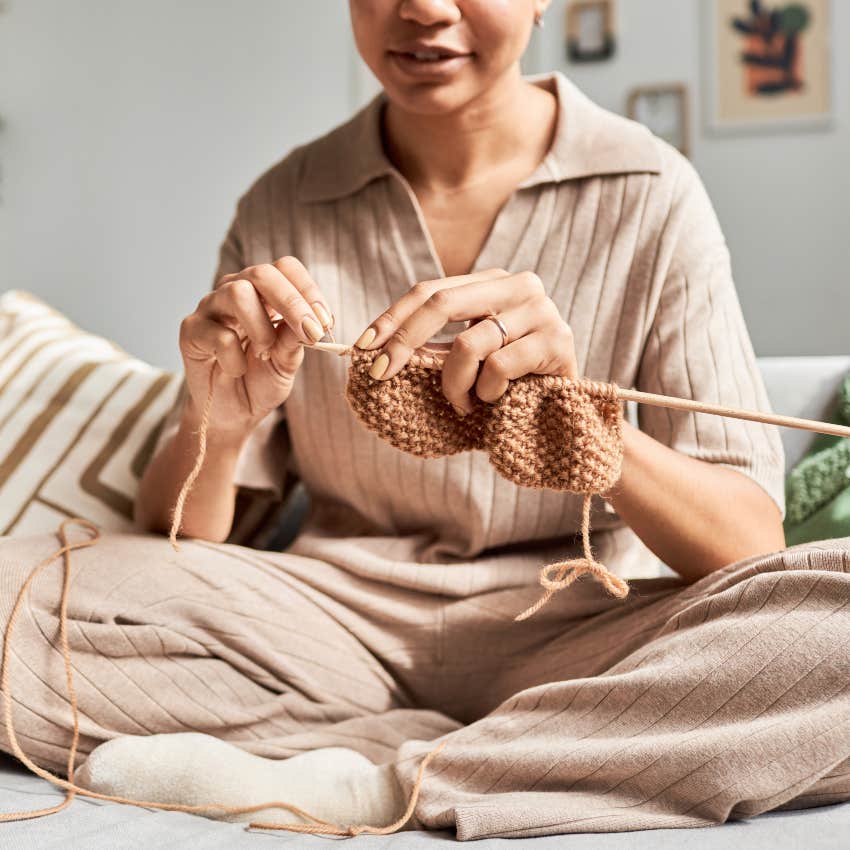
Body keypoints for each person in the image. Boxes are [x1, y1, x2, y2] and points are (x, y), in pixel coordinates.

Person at [2, 0, 848, 840]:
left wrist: (589, 429)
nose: (424, 11)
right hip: (332, 625)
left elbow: (751, 547)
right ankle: (517, 752)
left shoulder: (652, 192)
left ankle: (379, 783)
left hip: (586, 628)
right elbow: (182, 539)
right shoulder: (286, 200)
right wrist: (214, 424)